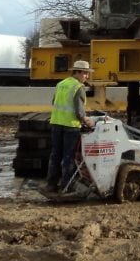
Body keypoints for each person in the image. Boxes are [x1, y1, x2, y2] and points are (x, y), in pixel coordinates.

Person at [44, 59, 95, 193]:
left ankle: (51, 184)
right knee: (68, 157)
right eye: (85, 73)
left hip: (56, 124)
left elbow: (54, 101)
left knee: (55, 155)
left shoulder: (61, 84)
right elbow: (79, 112)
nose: (87, 76)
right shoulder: (78, 87)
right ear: (77, 72)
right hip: (70, 127)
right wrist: (87, 121)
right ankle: (65, 186)